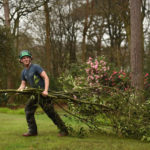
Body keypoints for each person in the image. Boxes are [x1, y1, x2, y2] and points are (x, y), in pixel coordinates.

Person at [18, 50, 68, 137]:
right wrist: (18, 90)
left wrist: (45, 90)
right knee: (28, 109)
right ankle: (32, 131)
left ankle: (64, 130)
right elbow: (23, 84)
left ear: (30, 58)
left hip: (43, 94)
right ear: (21, 60)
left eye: (27, 57)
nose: (26, 59)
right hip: (35, 94)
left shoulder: (36, 67)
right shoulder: (23, 72)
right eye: (23, 58)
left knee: (50, 112)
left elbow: (46, 77)